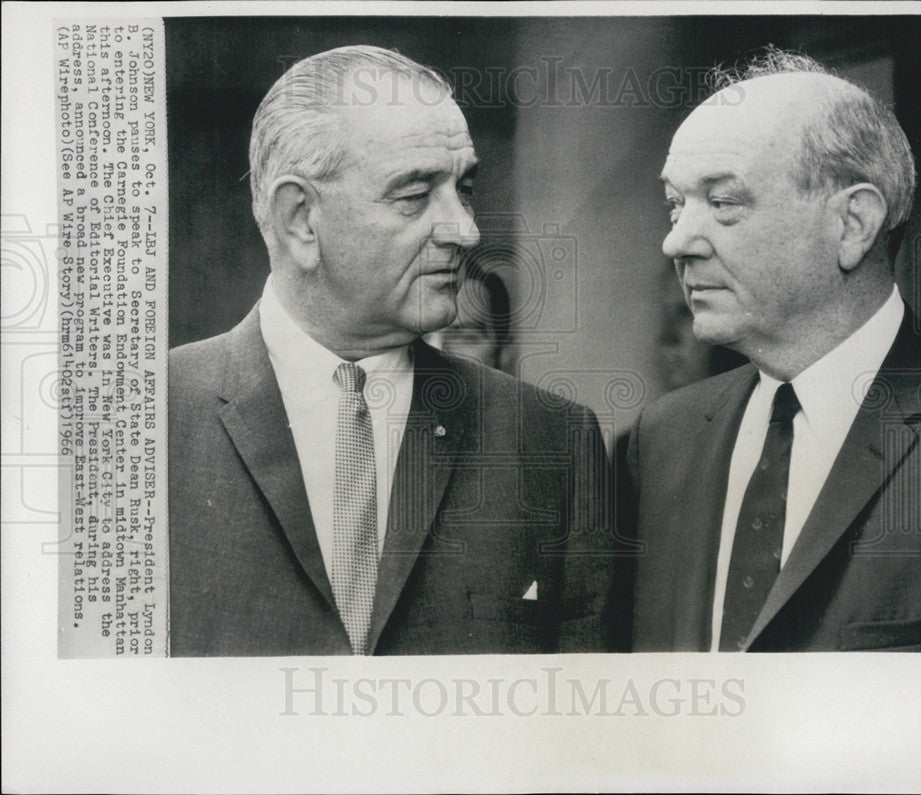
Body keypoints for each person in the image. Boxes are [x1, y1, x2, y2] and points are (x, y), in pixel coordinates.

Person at [168, 46, 615, 656]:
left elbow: (576, 729)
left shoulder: (551, 443)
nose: (465, 230)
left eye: (464, 189)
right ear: (300, 218)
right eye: (414, 196)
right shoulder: (147, 421)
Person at [626, 48, 921, 652]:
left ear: (853, 224)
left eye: (724, 202)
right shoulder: (665, 436)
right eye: (675, 205)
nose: (676, 240)